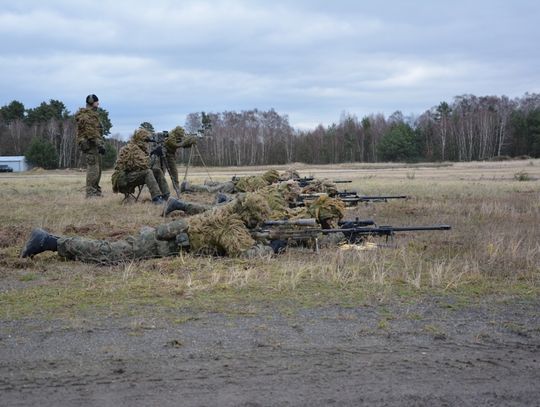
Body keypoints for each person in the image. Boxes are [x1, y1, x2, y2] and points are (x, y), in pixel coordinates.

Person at [20, 192, 279, 264]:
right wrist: (269, 249)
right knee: (110, 253)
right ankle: (49, 242)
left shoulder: (227, 211)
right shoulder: (232, 225)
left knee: (130, 243)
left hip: (168, 238)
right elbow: (245, 256)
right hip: (162, 246)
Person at [111, 128, 170, 204]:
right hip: (125, 177)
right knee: (147, 172)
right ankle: (156, 198)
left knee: (157, 171)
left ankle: (166, 195)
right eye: (146, 141)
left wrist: (152, 153)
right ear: (141, 140)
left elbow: (144, 164)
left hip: (134, 174)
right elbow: (143, 165)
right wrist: (154, 154)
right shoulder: (132, 149)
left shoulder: (141, 149)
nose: (147, 143)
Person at [75, 94, 105, 198]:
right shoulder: (87, 117)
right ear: (92, 102)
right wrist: (100, 145)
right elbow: (91, 134)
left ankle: (96, 191)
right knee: (93, 170)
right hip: (91, 147)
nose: (98, 103)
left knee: (98, 170)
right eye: (97, 102)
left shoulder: (92, 115)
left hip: (95, 146)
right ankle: (90, 193)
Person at [180, 169, 281, 194]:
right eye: (275, 179)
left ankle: (207, 182)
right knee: (211, 191)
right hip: (232, 187)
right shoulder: (261, 183)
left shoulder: (259, 178)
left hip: (233, 184)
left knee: (217, 185)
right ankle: (188, 186)